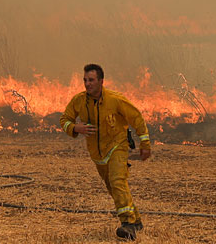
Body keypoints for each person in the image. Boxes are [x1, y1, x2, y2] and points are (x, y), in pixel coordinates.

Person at [60, 63, 151, 241]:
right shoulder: (78, 101)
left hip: (118, 145)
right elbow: (64, 120)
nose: (87, 84)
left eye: (91, 80)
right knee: (113, 187)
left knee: (117, 181)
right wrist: (75, 127)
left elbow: (137, 117)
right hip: (97, 153)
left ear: (101, 81)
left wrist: (145, 143)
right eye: (85, 80)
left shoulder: (115, 99)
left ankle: (128, 225)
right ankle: (137, 221)